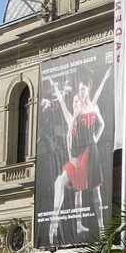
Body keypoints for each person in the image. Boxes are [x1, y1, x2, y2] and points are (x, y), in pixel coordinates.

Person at [48, 67, 110, 243]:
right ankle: (60, 227)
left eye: (83, 90)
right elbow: (68, 132)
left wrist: (95, 139)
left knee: (95, 189)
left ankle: (101, 228)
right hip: (79, 154)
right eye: (78, 92)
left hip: (92, 151)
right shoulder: (76, 111)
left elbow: (102, 123)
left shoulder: (93, 105)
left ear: (87, 89)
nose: (79, 96)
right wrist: (70, 155)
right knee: (73, 188)